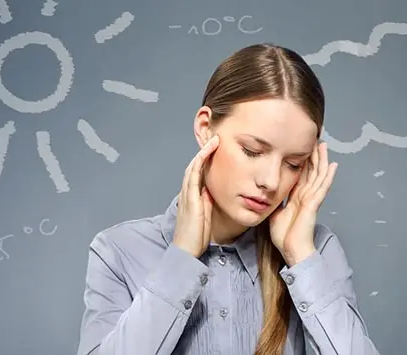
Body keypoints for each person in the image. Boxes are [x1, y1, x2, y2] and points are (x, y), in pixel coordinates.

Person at [76, 43, 381, 355]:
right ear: (206, 128)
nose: (271, 181)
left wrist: (301, 256)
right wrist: (181, 258)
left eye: (293, 164)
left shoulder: (317, 252)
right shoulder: (119, 251)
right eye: (252, 150)